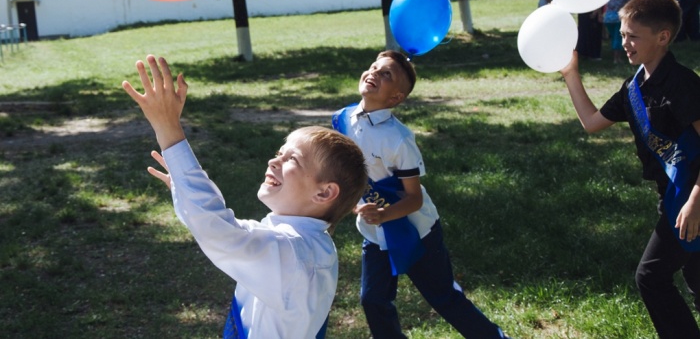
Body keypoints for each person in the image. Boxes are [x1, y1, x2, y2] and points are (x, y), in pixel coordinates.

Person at [122, 55, 368, 339]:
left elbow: (220, 232)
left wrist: (168, 129)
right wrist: (186, 192)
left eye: (293, 160)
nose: (274, 162)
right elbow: (221, 228)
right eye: (279, 153)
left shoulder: (294, 252)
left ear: (324, 192)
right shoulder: (307, 244)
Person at [332, 50, 510, 339]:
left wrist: (383, 213)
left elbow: (413, 198)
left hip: (416, 230)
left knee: (443, 298)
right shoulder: (342, 119)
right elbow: (345, 172)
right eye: (374, 67)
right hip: (376, 235)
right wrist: (355, 204)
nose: (374, 73)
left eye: (386, 74)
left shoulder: (399, 139)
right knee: (373, 300)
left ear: (396, 98)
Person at [560, 0, 700, 339]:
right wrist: (570, 73)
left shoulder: (683, 85)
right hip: (673, 198)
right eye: (623, 34)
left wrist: (696, 200)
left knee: (651, 276)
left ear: (663, 37)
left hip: (691, 201)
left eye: (633, 36)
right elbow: (592, 122)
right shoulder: (634, 88)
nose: (624, 42)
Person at [603, 0, 635, 64]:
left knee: (613, 37)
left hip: (608, 17)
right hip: (618, 17)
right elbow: (631, 1)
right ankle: (616, 58)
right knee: (618, 38)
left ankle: (614, 55)